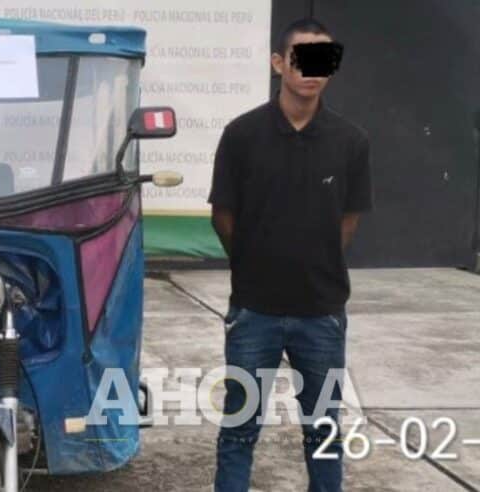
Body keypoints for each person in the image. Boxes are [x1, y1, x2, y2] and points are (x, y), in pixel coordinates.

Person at [209, 18, 372, 492]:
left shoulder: (351, 141)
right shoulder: (242, 135)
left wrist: (313, 261)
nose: (312, 70)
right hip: (253, 312)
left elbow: (349, 218)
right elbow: (223, 215)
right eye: (301, 57)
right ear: (278, 62)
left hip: (321, 313)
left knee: (323, 430)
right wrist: (254, 265)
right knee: (238, 431)